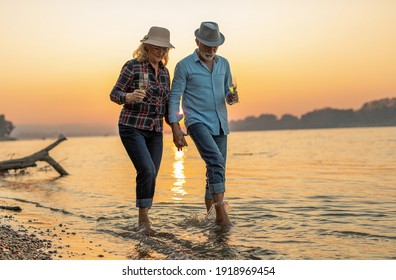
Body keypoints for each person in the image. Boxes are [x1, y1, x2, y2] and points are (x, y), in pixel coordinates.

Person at [168, 22, 238, 227]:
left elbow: (228, 91)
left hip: (220, 123)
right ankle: (221, 215)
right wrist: (175, 128)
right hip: (196, 122)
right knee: (216, 161)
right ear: (197, 41)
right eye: (207, 45)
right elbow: (174, 98)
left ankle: (209, 219)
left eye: (214, 45)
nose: (211, 49)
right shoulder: (184, 65)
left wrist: (231, 97)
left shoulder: (224, 64)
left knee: (215, 168)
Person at [110, 26, 174, 233]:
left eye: (164, 48)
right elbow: (114, 93)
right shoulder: (132, 66)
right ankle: (143, 222)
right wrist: (126, 97)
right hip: (132, 126)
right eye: (157, 47)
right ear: (146, 46)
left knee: (152, 173)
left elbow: (166, 105)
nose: (161, 51)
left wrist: (177, 130)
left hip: (155, 130)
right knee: (146, 169)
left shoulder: (165, 73)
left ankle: (145, 219)